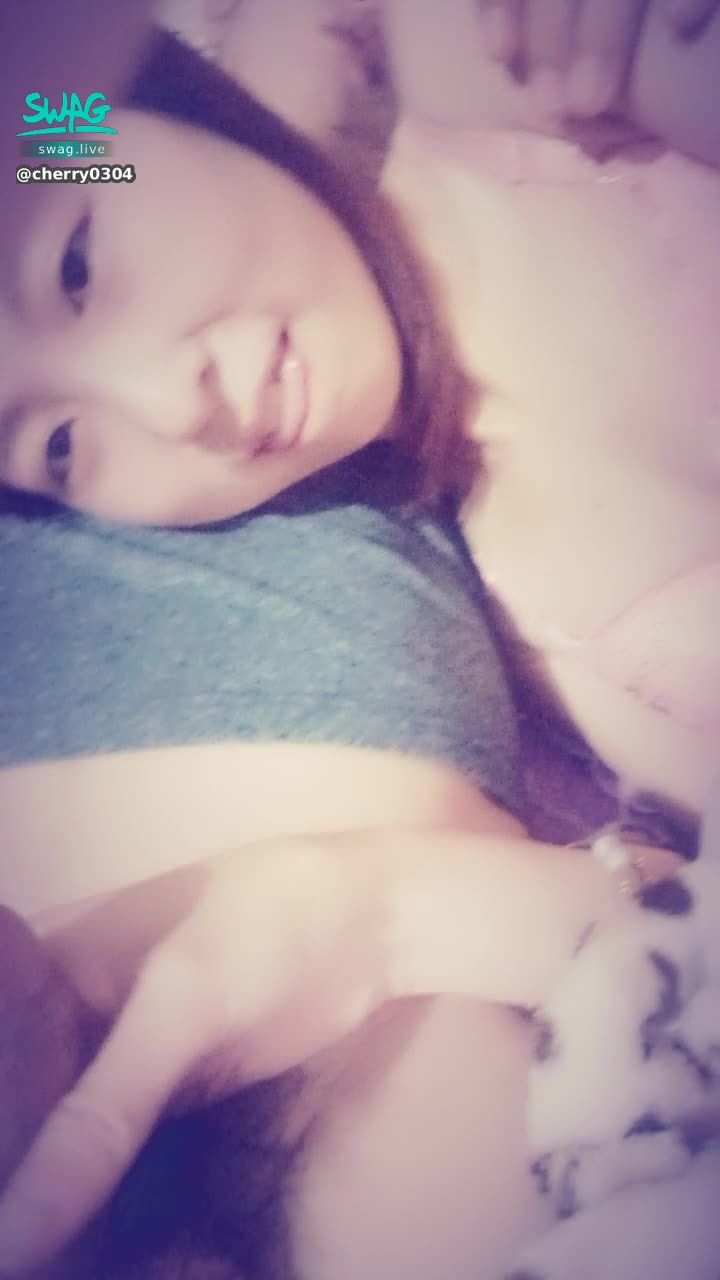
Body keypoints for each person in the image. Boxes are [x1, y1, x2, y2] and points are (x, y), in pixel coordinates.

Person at [0, 1, 718, 1276]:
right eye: (59, 445)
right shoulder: (563, 638)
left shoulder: (505, 59)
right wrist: (385, 908)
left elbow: (57, 118)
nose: (174, 406)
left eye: (79, 266)